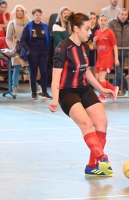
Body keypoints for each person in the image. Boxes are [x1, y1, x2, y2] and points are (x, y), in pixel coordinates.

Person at [49, 12, 116, 177]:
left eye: (90, 29)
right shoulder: (63, 48)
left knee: (102, 122)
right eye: (87, 29)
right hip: (67, 93)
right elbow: (55, 78)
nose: (90, 33)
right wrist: (55, 100)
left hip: (84, 89)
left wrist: (101, 89)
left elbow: (86, 72)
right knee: (86, 123)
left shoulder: (85, 47)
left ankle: (92, 167)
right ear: (76, 29)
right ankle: (102, 159)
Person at [6, 5, 42, 97]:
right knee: (17, 68)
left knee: (31, 68)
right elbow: (8, 38)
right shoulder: (12, 24)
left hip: (27, 48)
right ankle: (15, 87)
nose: (19, 12)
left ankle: (36, 87)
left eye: (21, 11)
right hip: (17, 48)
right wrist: (13, 47)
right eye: (17, 11)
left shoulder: (30, 23)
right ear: (15, 12)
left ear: (24, 12)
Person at [20, 8, 52, 100]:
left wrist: (47, 49)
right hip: (33, 51)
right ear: (33, 15)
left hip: (43, 51)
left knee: (44, 72)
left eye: (40, 14)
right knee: (33, 72)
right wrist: (28, 50)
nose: (38, 16)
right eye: (36, 15)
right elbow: (22, 39)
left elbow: (49, 38)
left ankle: (44, 92)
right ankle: (34, 92)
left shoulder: (45, 26)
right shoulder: (28, 26)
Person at [93, 14, 119, 102]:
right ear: (98, 21)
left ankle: (102, 96)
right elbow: (94, 47)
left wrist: (116, 58)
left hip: (107, 58)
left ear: (107, 22)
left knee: (101, 78)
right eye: (101, 20)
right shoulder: (97, 32)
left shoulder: (110, 33)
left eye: (105, 20)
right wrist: (94, 42)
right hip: (99, 58)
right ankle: (113, 88)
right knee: (97, 79)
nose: (103, 22)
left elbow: (115, 46)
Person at [86, 11, 99, 76]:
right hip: (86, 51)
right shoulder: (85, 28)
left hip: (95, 52)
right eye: (90, 18)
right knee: (87, 68)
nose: (92, 20)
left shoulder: (98, 29)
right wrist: (89, 45)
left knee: (94, 67)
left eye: (94, 18)